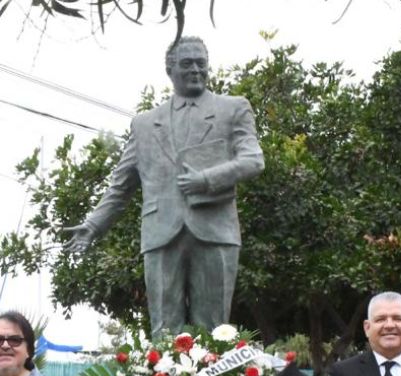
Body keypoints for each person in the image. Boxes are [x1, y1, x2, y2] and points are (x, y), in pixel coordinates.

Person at [64, 36, 265, 335]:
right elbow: (121, 184)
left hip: (215, 230)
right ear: (170, 70)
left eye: (201, 63)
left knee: (214, 331)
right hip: (161, 232)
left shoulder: (233, 109)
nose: (196, 69)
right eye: (187, 64)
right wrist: (93, 225)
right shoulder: (145, 123)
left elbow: (254, 160)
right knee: (163, 331)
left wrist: (207, 180)